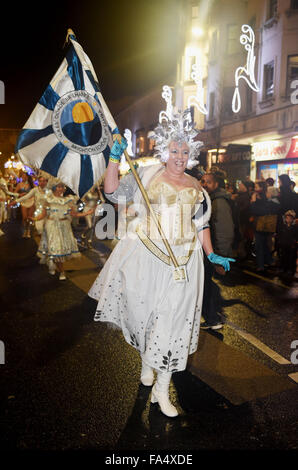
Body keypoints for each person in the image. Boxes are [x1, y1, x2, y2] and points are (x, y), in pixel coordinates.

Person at [88, 110, 235, 418]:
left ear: (190, 154)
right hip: (148, 255)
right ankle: (146, 361)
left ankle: (161, 388)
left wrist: (211, 254)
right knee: (146, 316)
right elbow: (113, 191)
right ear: (165, 150)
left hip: (184, 262)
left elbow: (201, 224)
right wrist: (114, 159)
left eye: (185, 151)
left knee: (174, 322)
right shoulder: (148, 174)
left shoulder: (197, 185)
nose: (179, 156)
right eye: (175, 150)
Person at [32, 182, 93, 280]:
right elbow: (43, 214)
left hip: (64, 227)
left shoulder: (68, 200)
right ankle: (61, 271)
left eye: (62, 187)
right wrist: (35, 219)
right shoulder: (48, 200)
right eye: (59, 187)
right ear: (54, 188)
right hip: (51, 226)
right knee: (55, 247)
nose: (61, 189)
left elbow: (74, 214)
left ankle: (53, 263)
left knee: (61, 248)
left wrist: (87, 213)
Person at [200, 172, 235, 330]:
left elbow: (225, 231)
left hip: (213, 252)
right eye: (203, 181)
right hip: (209, 251)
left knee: (207, 285)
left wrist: (220, 257)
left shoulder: (219, 202)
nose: (204, 184)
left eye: (208, 182)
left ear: (216, 184)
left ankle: (214, 317)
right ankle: (213, 316)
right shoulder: (210, 200)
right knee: (206, 284)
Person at [250, 181, 280, 272]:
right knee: (263, 244)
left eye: (256, 187)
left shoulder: (264, 198)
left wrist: (254, 202)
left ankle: (261, 265)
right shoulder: (261, 196)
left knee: (260, 245)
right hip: (262, 225)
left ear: (261, 188)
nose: (255, 189)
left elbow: (258, 211)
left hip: (262, 224)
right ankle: (269, 261)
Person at [276, 210, 297, 277]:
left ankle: (290, 270)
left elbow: (296, 236)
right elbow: (279, 234)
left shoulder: (295, 227)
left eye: (290, 218)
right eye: (287, 218)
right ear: (285, 218)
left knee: (291, 258)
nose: (288, 220)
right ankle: (283, 268)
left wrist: (295, 242)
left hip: (291, 245)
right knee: (283, 257)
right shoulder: (283, 227)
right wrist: (279, 241)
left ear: (293, 219)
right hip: (284, 244)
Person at [15, 170, 35, 238]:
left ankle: (28, 230)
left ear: (27, 177)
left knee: (29, 217)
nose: (24, 177)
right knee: (24, 217)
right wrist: (20, 195)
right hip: (24, 202)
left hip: (31, 201)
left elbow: (36, 192)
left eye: (25, 176)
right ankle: (24, 230)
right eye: (23, 176)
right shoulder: (19, 184)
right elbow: (15, 193)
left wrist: (32, 196)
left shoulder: (32, 184)